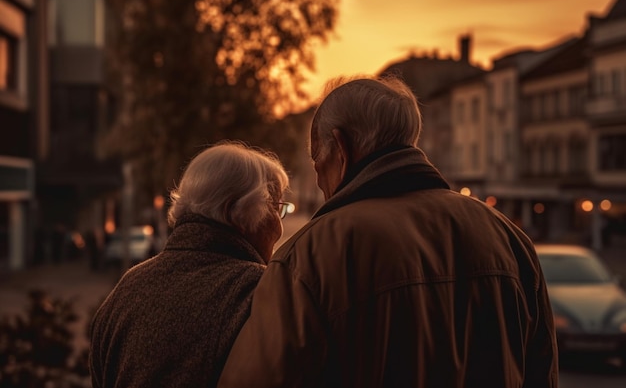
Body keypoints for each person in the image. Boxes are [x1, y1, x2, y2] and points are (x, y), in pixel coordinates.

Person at [217, 76, 558, 388]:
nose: (320, 183)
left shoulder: (310, 257)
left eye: (318, 163)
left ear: (341, 149)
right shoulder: (510, 242)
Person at [89, 141, 293, 388]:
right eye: (276, 209)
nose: (280, 227)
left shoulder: (127, 288)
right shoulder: (259, 290)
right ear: (235, 212)